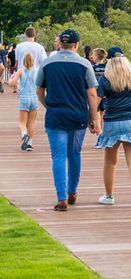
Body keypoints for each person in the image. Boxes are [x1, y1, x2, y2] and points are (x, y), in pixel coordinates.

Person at [35, 29, 99, 211]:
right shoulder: (84, 64)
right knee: (74, 154)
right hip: (78, 116)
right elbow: (92, 93)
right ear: (76, 45)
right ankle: (72, 192)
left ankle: (61, 197)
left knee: (58, 156)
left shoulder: (47, 63)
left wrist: (47, 105)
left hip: (55, 116)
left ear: (59, 44)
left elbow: (39, 90)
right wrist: (94, 118)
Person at [93, 52, 131, 208]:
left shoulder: (104, 80)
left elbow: (97, 102)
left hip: (111, 122)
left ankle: (109, 196)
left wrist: (94, 119)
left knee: (110, 161)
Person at [9, 52, 38, 151]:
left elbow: (12, 83)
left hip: (24, 98)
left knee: (22, 123)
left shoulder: (21, 71)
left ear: (24, 61)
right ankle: (29, 144)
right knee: (31, 123)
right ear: (33, 62)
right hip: (34, 98)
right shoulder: (36, 71)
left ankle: (24, 135)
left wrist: (11, 79)